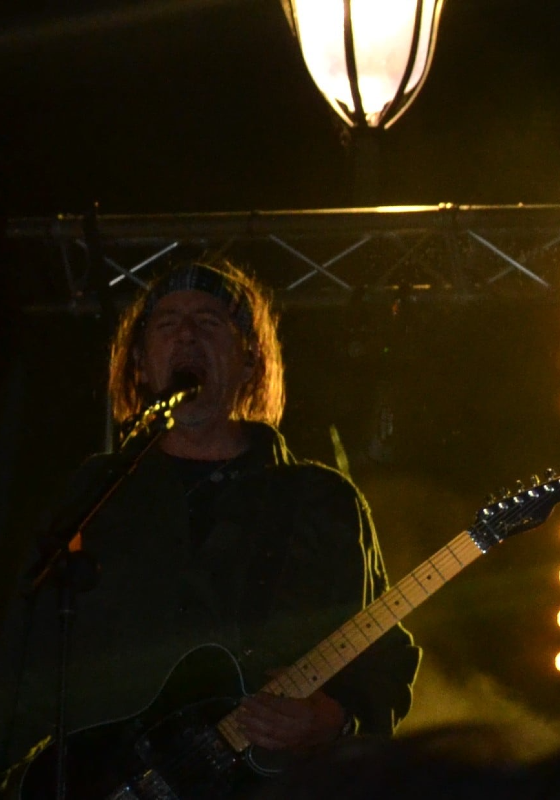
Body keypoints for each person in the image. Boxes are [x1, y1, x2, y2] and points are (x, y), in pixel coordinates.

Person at [0, 261, 420, 791]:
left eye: (210, 322)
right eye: (167, 324)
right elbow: (22, 657)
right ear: (141, 365)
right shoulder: (96, 493)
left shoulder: (320, 501)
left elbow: (383, 654)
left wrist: (335, 719)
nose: (187, 335)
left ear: (250, 362)